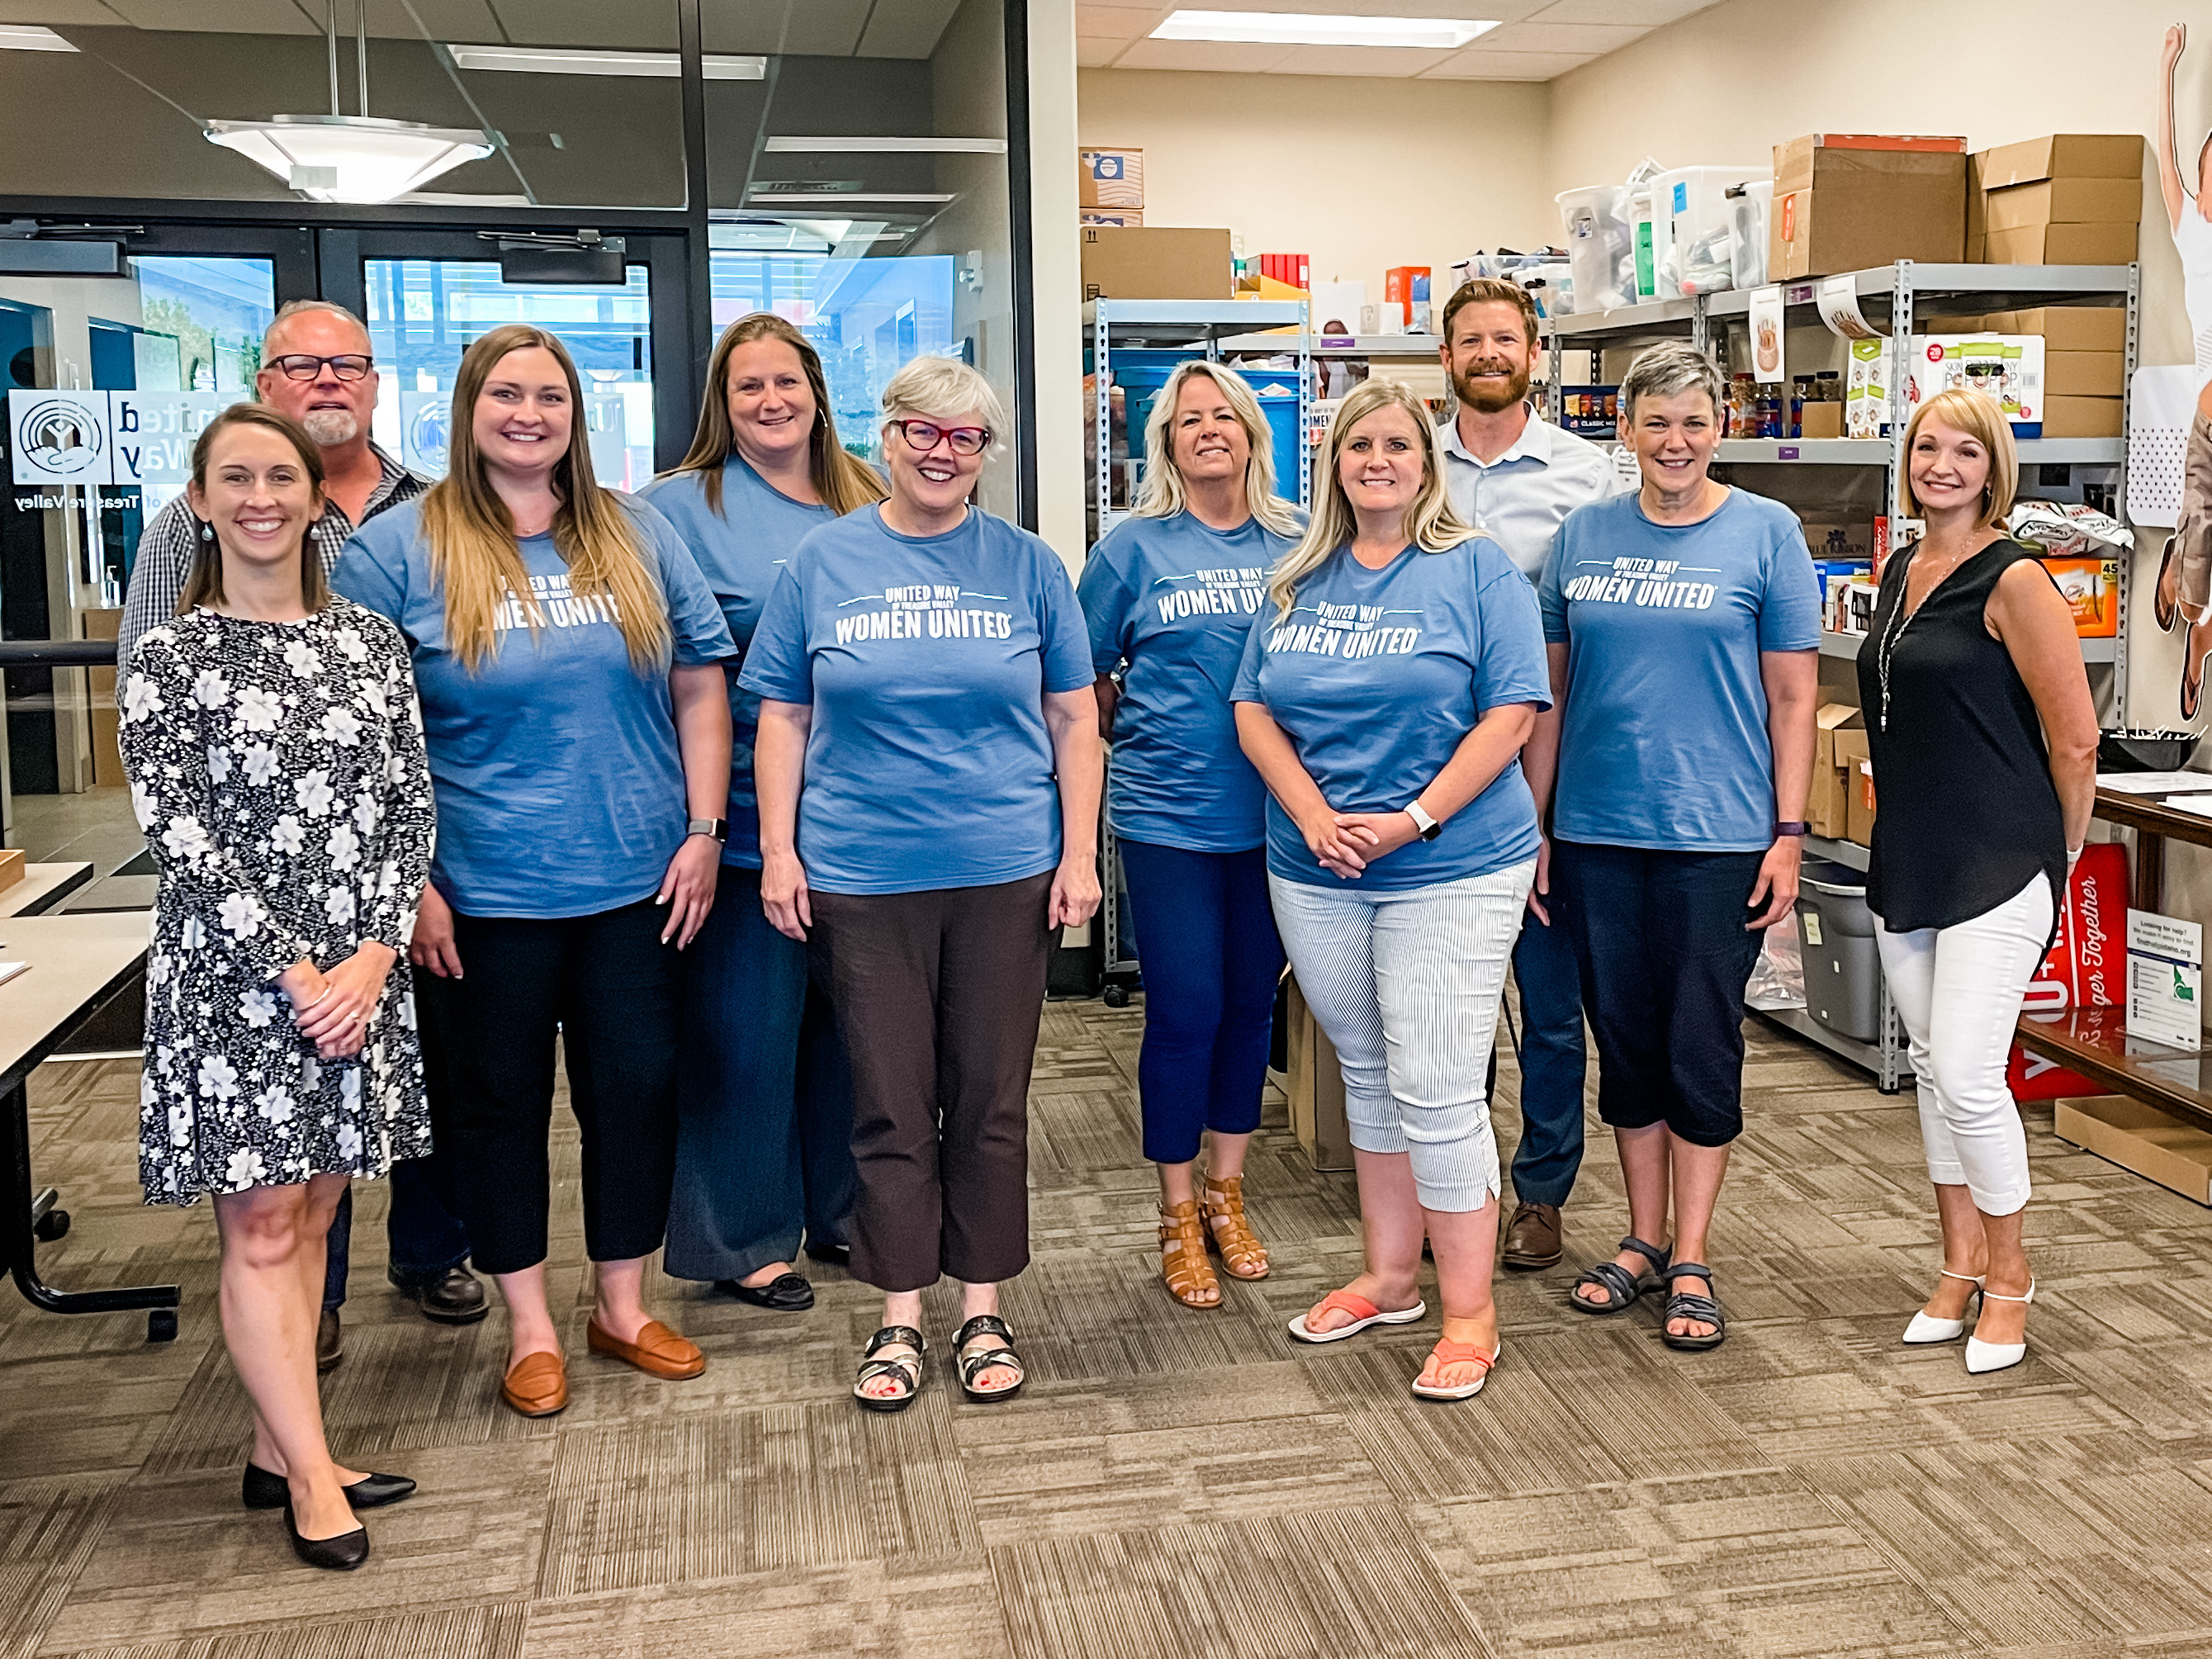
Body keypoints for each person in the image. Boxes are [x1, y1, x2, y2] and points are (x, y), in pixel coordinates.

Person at [332, 324, 735, 1420]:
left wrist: (704, 827)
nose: (527, 414)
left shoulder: (637, 532)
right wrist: (402, 878)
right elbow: (363, 733)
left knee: (637, 1095)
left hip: (636, 885)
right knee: (496, 1109)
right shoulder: (397, 548)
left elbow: (701, 685)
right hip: (478, 899)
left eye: (548, 397)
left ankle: (620, 1304)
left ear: (574, 414)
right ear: (467, 409)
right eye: (504, 394)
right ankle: (528, 1324)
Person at [117, 300, 483, 1364]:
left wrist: (382, 927)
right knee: (272, 1211)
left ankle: (406, 1278)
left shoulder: (413, 553)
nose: (329, 383)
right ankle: (302, 1369)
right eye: (302, 366)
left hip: (378, 915)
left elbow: (411, 770)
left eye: (349, 366)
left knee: (357, 1160)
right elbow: (173, 791)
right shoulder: (180, 612)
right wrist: (297, 961)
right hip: (251, 957)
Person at [744, 355, 1102, 1413]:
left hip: (1004, 870)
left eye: (966, 438)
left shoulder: (1029, 565)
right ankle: (900, 1313)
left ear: (985, 455)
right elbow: (784, 716)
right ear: (885, 436)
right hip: (863, 875)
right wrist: (777, 848)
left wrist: (1079, 853)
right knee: (889, 1103)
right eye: (923, 432)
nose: (943, 453)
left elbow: (1075, 718)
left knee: (990, 1102)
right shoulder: (822, 561)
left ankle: (982, 1306)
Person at [121, 404, 433, 1570]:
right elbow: (180, 834)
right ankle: (311, 1474)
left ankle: (276, 1439)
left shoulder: (367, 641)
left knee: (313, 1207)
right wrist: (299, 968)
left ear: (316, 500)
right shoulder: (169, 655)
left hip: (359, 972)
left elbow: (410, 805)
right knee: (258, 1221)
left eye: (282, 478)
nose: (261, 497)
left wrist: (374, 951)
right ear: (200, 502)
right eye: (234, 478)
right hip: (241, 985)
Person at [1234, 378, 1551, 1403]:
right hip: (1317, 864)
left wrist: (1414, 818)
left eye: (1398, 445)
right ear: (1333, 461)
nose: (1378, 460)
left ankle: (1471, 1313)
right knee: (1366, 1068)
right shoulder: (1298, 577)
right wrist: (1315, 816)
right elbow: (1252, 709)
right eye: (1358, 444)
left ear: (1427, 462)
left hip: (1450, 865)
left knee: (1438, 1086)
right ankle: (1389, 1274)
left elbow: (1510, 714)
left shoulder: (1477, 570)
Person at [1529, 339, 1818, 1352]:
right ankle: (1642, 1238)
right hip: (1597, 830)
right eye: (1657, 422)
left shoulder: (1766, 534)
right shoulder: (1582, 535)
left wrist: (1789, 832)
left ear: (1720, 428)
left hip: (1719, 836)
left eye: (1695, 422)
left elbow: (1793, 696)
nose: (1676, 441)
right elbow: (1552, 695)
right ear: (1627, 429)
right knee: (1626, 1037)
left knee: (1701, 1042)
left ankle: (1692, 1250)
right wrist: (1538, 824)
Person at [639, 314, 883, 1311]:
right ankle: (740, 1234)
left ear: (818, 392)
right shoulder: (672, 509)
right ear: (722, 405)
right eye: (749, 388)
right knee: (746, 1028)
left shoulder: (872, 494)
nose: (772, 401)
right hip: (742, 818)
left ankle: (841, 1211)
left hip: (872, 817)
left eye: (788, 381)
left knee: (853, 1031)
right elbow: (665, 672)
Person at [1859, 390, 2096, 1376]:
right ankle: (1955, 1263)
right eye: (1926, 447)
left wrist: (2059, 856)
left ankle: (2011, 1274)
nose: (1942, 465)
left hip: (2001, 857)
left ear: (1993, 469)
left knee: (1966, 1069)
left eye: (1965, 451)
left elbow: (2075, 734)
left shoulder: (2018, 579)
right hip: (1911, 851)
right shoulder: (1899, 567)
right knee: (1930, 1069)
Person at [1077, 360, 1301, 1310]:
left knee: (1252, 1007)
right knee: (1185, 1009)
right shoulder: (1132, 550)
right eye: (1188, 419)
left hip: (1278, 819)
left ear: (1252, 433)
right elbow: (1082, 676)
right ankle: (1175, 1210)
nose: (1208, 430)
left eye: (1225, 416)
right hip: (1168, 814)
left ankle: (1227, 1190)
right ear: (1165, 441)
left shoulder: (1298, 541)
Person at [1433, 276, 1622, 1273]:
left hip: (1549, 763)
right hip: (1430, 769)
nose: (1490, 352)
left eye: (1507, 338)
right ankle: (1456, 1189)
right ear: (1447, 356)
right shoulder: (1410, 464)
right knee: (1449, 1007)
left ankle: (1542, 1189)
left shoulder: (1590, 478)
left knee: (1548, 1004)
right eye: (1471, 339)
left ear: (1535, 354)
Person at [2155, 21, 2212, 716]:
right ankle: (2184, 583)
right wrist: (2166, 67)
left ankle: (2200, 636)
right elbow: (2166, 154)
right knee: (2198, 543)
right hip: (2206, 425)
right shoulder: (2192, 234)